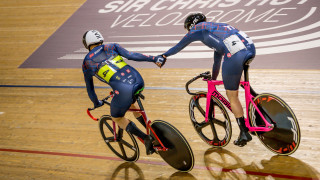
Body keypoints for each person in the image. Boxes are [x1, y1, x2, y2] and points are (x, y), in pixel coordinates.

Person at [158, 13, 256, 147]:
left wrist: (164, 55)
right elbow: (217, 62)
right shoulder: (215, 30)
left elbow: (179, 46)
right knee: (236, 75)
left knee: (232, 95)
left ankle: (244, 132)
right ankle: (257, 102)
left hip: (235, 54)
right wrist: (213, 80)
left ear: (191, 26)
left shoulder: (198, 28)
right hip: (250, 48)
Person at [82, 30, 166, 155]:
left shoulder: (87, 63)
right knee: (132, 104)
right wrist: (154, 59)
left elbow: (90, 89)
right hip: (138, 80)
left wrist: (96, 103)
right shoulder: (111, 46)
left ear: (87, 44)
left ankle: (145, 137)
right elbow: (132, 55)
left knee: (116, 117)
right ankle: (152, 130)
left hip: (123, 90)